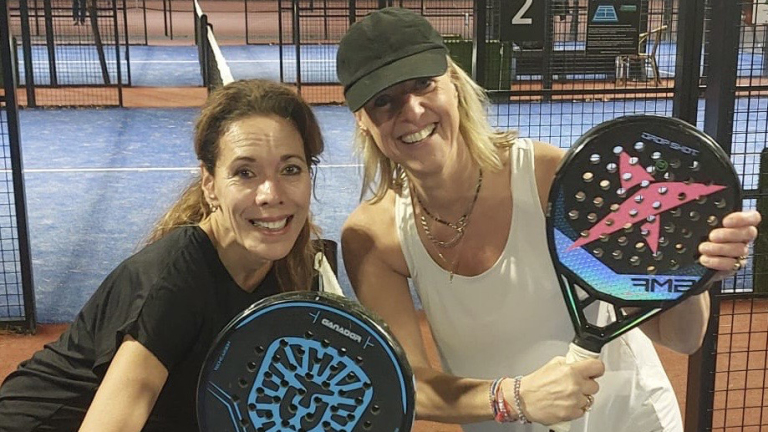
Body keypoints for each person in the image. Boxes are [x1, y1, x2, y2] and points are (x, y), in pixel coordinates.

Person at [336, 7, 761, 432]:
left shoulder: (549, 182)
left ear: (453, 81)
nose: (411, 111)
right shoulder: (374, 236)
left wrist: (689, 272)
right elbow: (410, 380)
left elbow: (681, 337)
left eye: (424, 83)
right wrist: (514, 398)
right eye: (383, 101)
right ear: (361, 118)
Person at [0, 79, 326, 432]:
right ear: (210, 185)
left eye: (290, 169)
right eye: (244, 173)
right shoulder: (175, 283)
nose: (270, 194)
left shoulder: (292, 268)